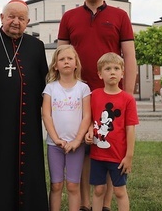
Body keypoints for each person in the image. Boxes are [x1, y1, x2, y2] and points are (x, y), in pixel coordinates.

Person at [57, 0, 137, 211]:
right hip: (78, 95)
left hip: (112, 97)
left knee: (110, 148)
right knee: (82, 148)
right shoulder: (69, 17)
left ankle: (105, 205)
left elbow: (129, 56)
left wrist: (128, 95)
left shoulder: (120, 16)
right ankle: (83, 203)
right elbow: (61, 55)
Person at [0, 0, 49, 211]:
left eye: (21, 18)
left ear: (28, 22)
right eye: (11, 17)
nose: (16, 22)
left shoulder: (37, 46)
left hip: (28, 124)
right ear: (1, 18)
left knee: (30, 167)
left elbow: (46, 85)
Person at [85, 53, 139, 211]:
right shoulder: (94, 95)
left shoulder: (128, 99)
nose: (112, 72)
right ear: (100, 74)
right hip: (97, 155)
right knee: (98, 190)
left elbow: (130, 129)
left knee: (120, 191)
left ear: (122, 73)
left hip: (118, 156)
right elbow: (91, 119)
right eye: (108, 69)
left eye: (116, 68)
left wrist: (129, 156)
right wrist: (89, 132)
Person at [42, 45, 92, 211]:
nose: (66, 62)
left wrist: (77, 140)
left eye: (70, 59)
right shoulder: (50, 88)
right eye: (62, 59)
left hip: (75, 145)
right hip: (54, 145)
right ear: (55, 65)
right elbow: (46, 115)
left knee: (72, 185)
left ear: (76, 63)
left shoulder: (83, 88)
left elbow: (87, 116)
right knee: (56, 185)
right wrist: (56, 139)